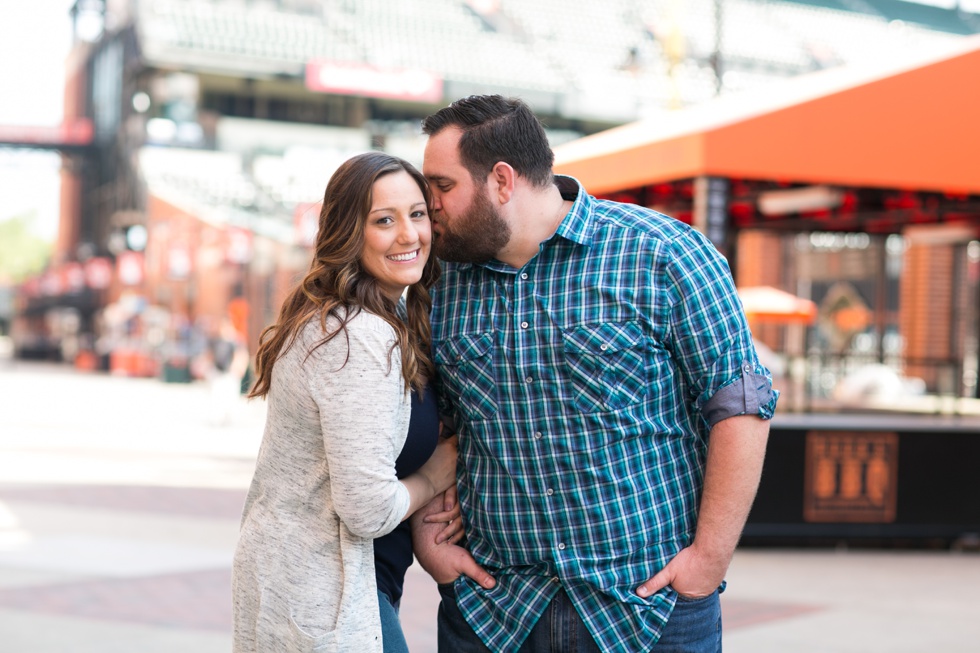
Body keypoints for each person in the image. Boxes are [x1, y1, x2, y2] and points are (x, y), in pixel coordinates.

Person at [411, 95, 779, 653]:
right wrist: (428, 540)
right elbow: (436, 423)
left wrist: (707, 561)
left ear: (502, 180)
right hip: (493, 611)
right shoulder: (438, 280)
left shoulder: (665, 252)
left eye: (441, 186)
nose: (427, 204)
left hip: (648, 610)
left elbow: (742, 406)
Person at [232, 152, 462, 653]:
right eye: (384, 220)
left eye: (417, 214)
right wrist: (436, 477)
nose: (409, 235)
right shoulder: (357, 336)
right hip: (326, 596)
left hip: (316, 585)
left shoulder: (360, 319)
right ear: (348, 233)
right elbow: (369, 509)